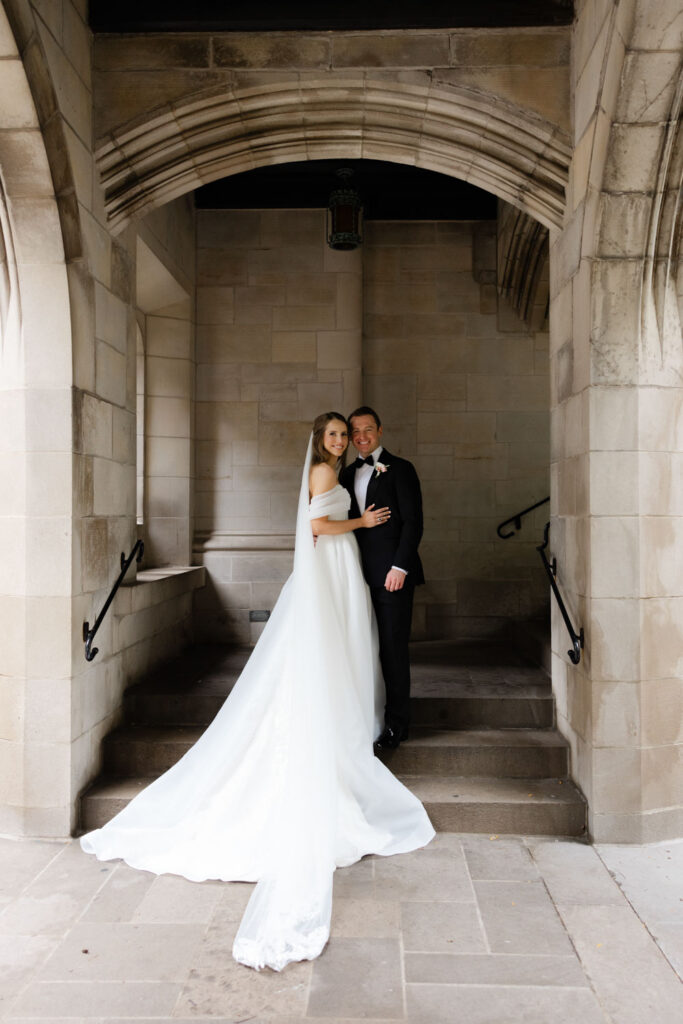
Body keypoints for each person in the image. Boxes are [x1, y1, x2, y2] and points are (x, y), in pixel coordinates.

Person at [80, 412, 434, 972]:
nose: (344, 441)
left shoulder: (369, 470)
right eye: (337, 434)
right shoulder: (323, 473)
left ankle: (370, 722)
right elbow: (317, 528)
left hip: (349, 572)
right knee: (325, 654)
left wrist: (374, 538)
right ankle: (331, 731)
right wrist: (362, 525)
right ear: (322, 439)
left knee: (358, 653)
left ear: (368, 436)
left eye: (350, 434)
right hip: (334, 565)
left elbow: (404, 523)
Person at [340, 407, 424, 751]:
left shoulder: (400, 469)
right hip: (355, 577)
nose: (361, 437)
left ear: (380, 430)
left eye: (368, 430)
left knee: (392, 650)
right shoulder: (345, 475)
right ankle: (367, 718)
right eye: (355, 431)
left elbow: (413, 522)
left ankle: (397, 725)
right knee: (363, 649)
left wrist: (400, 568)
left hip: (392, 576)